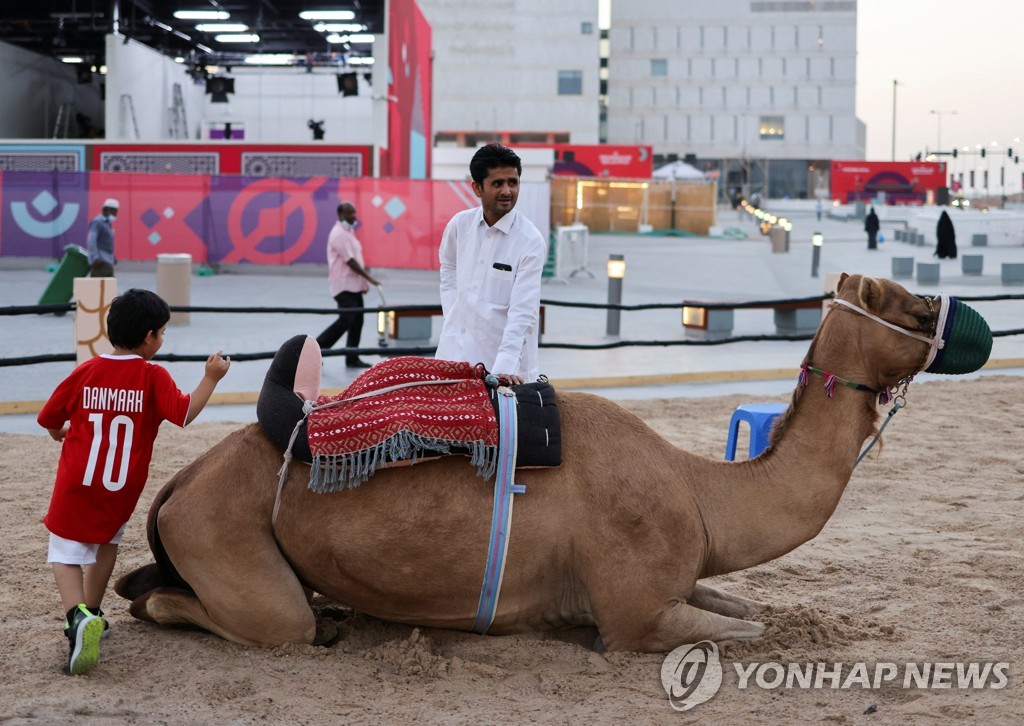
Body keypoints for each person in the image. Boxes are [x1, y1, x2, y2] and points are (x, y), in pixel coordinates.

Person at [38, 288, 230, 675]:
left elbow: (48, 417)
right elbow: (184, 413)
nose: (162, 340)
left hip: (78, 481)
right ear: (148, 337)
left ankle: (76, 619)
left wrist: (59, 431)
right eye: (162, 333)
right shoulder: (153, 376)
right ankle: (92, 611)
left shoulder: (86, 371)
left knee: (64, 553)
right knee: (106, 541)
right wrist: (211, 377)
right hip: (121, 486)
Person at [435, 144, 546, 385]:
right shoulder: (459, 225)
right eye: (498, 184)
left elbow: (523, 312)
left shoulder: (530, 240)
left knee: (503, 424)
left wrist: (504, 367)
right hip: (454, 356)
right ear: (477, 187)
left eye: (513, 182)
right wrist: (453, 313)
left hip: (504, 369)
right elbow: (448, 267)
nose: (507, 191)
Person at [315, 202, 380, 368]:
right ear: (340, 215)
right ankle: (316, 350)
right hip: (343, 285)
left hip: (353, 285)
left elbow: (355, 260)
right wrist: (369, 278)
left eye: (354, 212)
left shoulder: (349, 232)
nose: (353, 216)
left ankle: (351, 357)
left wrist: (362, 283)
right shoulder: (339, 234)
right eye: (349, 213)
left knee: (357, 320)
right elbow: (350, 261)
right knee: (347, 319)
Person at [86, 199, 119, 277]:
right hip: (100, 262)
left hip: (108, 262)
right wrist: (94, 258)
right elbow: (91, 240)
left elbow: (107, 243)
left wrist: (113, 257)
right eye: (114, 212)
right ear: (108, 209)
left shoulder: (107, 223)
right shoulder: (97, 222)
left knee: (109, 287)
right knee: (97, 287)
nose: (115, 215)